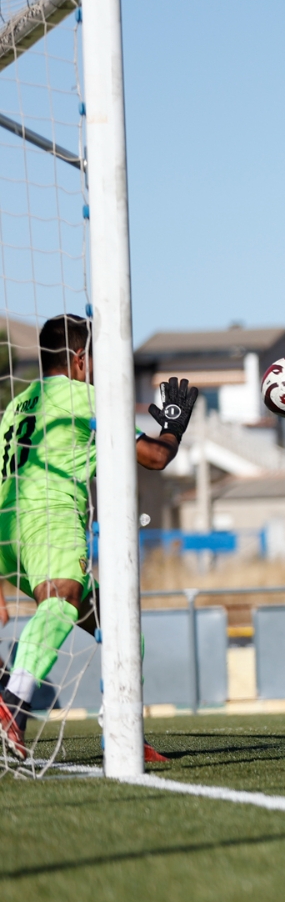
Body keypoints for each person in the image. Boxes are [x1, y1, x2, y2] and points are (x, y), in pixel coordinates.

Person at [0, 314, 193, 763]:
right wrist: (173, 426)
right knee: (63, 596)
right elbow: (154, 457)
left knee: (120, 624)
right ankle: (13, 703)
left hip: (9, 525)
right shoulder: (84, 397)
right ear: (82, 359)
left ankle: (124, 730)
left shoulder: (19, 404)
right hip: (46, 513)